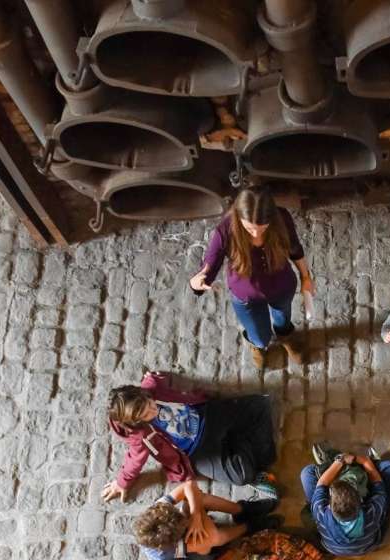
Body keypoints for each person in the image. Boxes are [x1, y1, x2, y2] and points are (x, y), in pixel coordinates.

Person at [102, 372, 278, 505]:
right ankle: (239, 440)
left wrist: (155, 375)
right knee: (241, 476)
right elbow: (134, 459)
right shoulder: (140, 435)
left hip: (207, 416)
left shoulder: (151, 389)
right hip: (197, 450)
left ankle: (254, 452)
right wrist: (122, 482)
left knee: (260, 404)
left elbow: (155, 377)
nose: (152, 411)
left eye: (149, 404)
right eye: (145, 414)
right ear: (136, 421)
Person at [191, 187, 316, 369]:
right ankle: (259, 346)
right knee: (259, 334)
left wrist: (306, 277)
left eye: (263, 227)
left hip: (282, 287)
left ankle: (286, 338)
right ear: (239, 217)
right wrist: (197, 281)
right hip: (247, 297)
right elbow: (210, 264)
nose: (256, 234)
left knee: (283, 319)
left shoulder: (281, 218)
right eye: (249, 228)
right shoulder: (225, 231)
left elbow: (295, 249)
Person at [134, 483, 281, 560]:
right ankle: (248, 527)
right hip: (190, 558)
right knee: (213, 538)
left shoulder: (157, 510)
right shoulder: (167, 551)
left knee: (198, 497)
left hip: (178, 535)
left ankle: (241, 510)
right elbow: (211, 537)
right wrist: (195, 516)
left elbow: (189, 485)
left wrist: (196, 516)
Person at [300, 445, 390, 556]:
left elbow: (322, 484)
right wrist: (365, 462)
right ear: (362, 501)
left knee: (307, 473)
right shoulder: (372, 513)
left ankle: (327, 466)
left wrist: (340, 460)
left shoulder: (321, 512)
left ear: (329, 506)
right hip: (368, 545)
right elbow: (378, 484)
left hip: (332, 549)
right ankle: (373, 463)